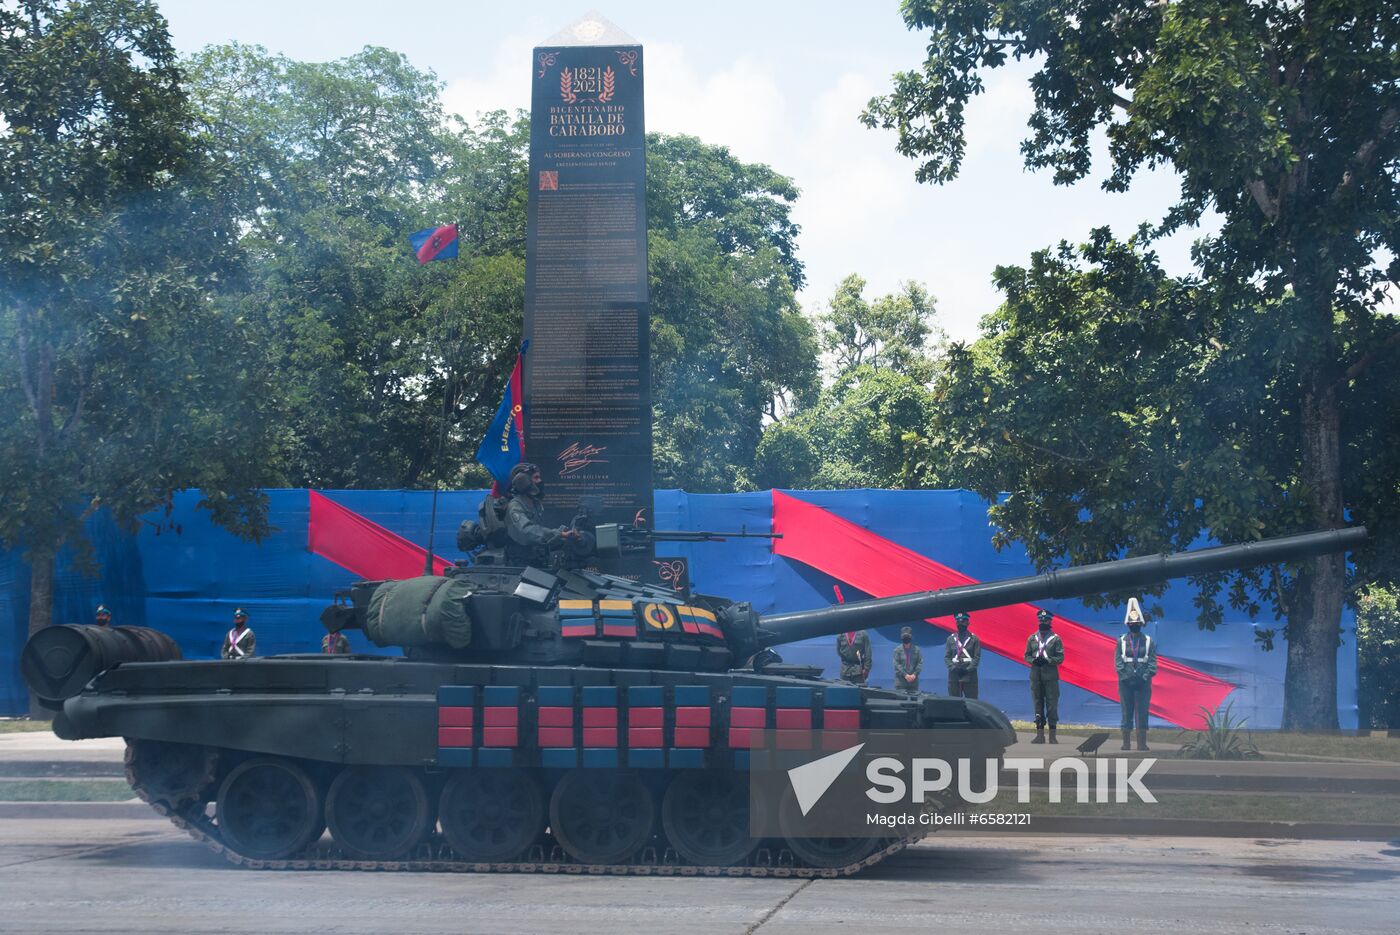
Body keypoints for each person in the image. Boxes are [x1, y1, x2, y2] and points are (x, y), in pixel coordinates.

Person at [503, 462, 578, 566]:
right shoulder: (515, 506)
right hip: (520, 563)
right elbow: (527, 532)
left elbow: (539, 532)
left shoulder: (534, 503)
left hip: (535, 560)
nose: (540, 481)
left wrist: (563, 536)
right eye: (536, 478)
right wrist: (558, 534)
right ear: (524, 482)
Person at [1116, 597, 1158, 751]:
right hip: (1125, 683)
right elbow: (1118, 662)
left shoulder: (1148, 641)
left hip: (1143, 682)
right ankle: (1126, 743)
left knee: (1142, 712)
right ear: (1128, 624)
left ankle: (1141, 743)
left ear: (1141, 624)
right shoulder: (1121, 641)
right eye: (1132, 624)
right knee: (1126, 711)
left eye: (1137, 624)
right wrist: (1126, 677)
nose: (1134, 626)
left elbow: (1153, 663)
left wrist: (1144, 676)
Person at [1023, 608, 1064, 744]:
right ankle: (1039, 734)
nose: (1043, 622)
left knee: (1052, 705)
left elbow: (1060, 657)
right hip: (1036, 676)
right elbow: (1026, 655)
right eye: (1040, 620)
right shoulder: (1032, 638)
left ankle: (1052, 735)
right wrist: (1032, 660)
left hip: (1050, 677)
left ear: (1050, 622)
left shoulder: (1055, 639)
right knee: (1038, 704)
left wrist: (1048, 661)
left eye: (1045, 620)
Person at [944, 611, 981, 698]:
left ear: (968, 623)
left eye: (963, 621)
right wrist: (953, 668)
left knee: (972, 701)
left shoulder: (974, 639)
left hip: (969, 675)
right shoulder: (950, 639)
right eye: (958, 622)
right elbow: (947, 657)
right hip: (954, 675)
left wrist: (967, 670)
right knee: (954, 702)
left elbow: (976, 657)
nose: (960, 623)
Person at [893, 626, 923, 693]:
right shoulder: (897, 650)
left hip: (913, 683)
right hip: (901, 683)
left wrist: (914, 675)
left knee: (914, 702)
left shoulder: (917, 650)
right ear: (901, 637)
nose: (906, 638)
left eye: (907, 636)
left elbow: (920, 663)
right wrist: (905, 675)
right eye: (904, 636)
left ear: (911, 637)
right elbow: (896, 665)